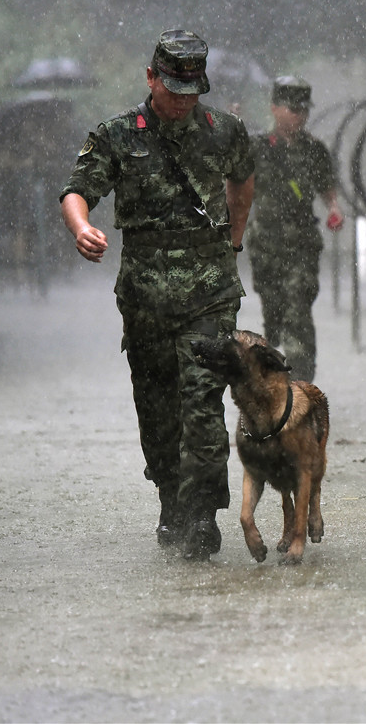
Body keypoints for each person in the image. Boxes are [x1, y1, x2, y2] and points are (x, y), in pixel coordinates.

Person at [59, 29, 255, 561]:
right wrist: (81, 228)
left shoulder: (225, 132)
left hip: (211, 294)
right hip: (146, 298)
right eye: (172, 90)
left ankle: (201, 516)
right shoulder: (118, 135)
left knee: (203, 405)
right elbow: (78, 190)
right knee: (159, 413)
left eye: (192, 91)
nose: (182, 101)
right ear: (150, 78)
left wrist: (234, 238)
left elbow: (244, 179)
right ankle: (172, 499)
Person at [243, 76, 344, 382]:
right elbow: (235, 184)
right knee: (274, 312)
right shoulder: (256, 147)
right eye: (292, 109)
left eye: (303, 110)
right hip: (266, 244)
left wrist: (334, 209)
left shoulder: (314, 150)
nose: (299, 115)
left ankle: (300, 381)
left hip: (301, 242)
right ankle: (276, 375)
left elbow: (327, 186)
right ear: (275, 109)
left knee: (297, 308)